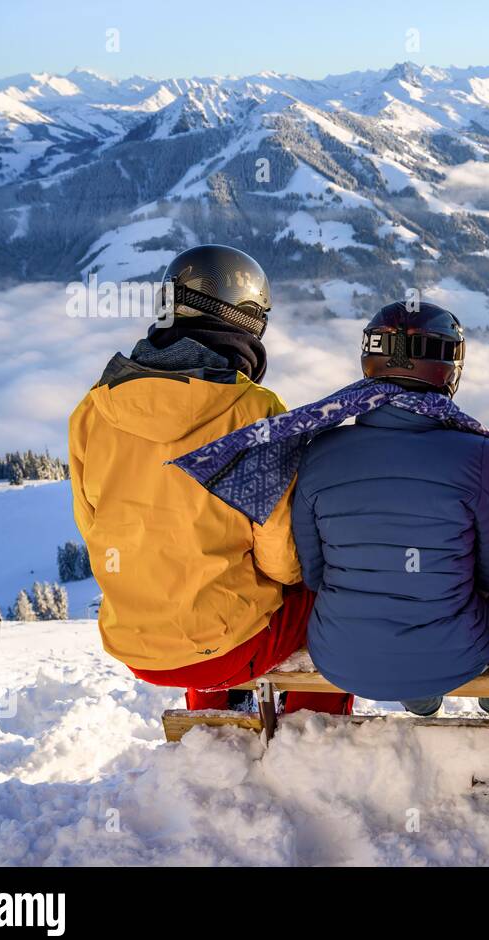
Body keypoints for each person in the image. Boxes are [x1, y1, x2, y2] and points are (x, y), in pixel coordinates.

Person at [69, 244, 351, 714]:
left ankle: (213, 717)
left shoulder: (93, 410)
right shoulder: (253, 412)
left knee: (212, 616)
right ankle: (313, 731)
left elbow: (92, 527)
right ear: (245, 320)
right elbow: (282, 558)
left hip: (135, 646)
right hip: (227, 649)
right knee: (338, 599)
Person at [289, 302, 489, 716]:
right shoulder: (477, 454)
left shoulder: (318, 449)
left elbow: (314, 572)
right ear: (448, 369)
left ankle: (421, 703)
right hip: (456, 655)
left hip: (340, 655)